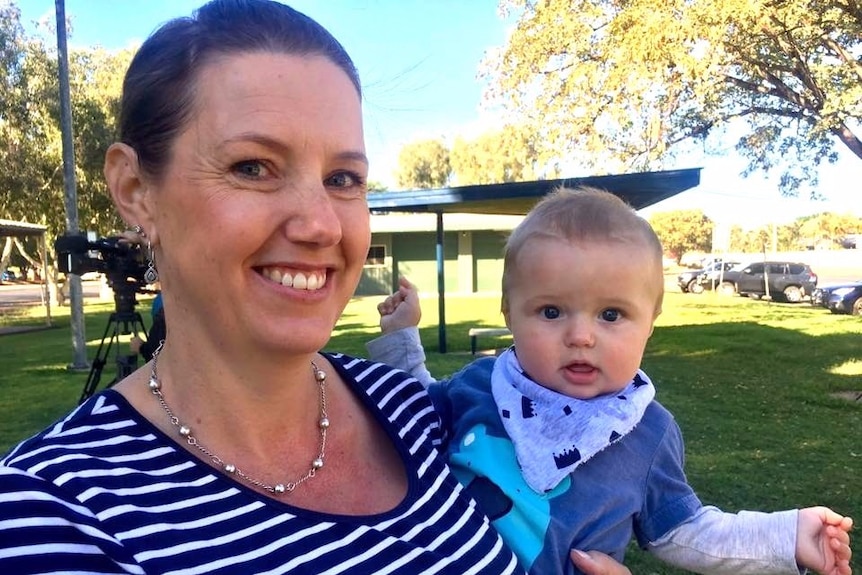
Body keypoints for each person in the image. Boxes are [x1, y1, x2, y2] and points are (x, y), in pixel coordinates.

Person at [0, 3, 632, 574]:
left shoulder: (420, 414)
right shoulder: (54, 519)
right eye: (253, 167)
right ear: (137, 191)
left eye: (343, 177)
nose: (320, 224)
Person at [367, 187, 854, 575]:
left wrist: (786, 537)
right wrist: (401, 335)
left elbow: (684, 528)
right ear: (508, 314)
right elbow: (410, 411)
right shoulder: (483, 384)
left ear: (651, 322)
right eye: (551, 311)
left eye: (611, 314)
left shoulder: (645, 432)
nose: (581, 336)